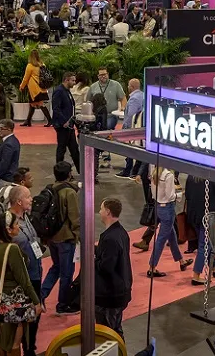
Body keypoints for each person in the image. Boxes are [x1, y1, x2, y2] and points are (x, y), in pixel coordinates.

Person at [0, 211, 42, 356]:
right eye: (16, 224)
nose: (19, 227)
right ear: (8, 229)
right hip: (15, 298)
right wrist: (36, 302)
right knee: (14, 341)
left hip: (2, 296)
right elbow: (24, 280)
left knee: (3, 338)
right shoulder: (12, 249)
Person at [40, 161, 80, 315]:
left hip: (52, 237)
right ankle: (63, 305)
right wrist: (79, 237)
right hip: (66, 238)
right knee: (67, 273)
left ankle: (41, 295)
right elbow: (75, 218)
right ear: (69, 174)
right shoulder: (69, 192)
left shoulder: (50, 189)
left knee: (56, 267)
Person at [7, 185, 43, 356]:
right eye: (28, 197)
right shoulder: (9, 222)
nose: (31, 199)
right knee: (25, 317)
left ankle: (30, 348)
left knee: (34, 315)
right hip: (22, 279)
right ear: (19, 201)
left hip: (35, 272)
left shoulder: (25, 216)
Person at [92, 198, 133, 339]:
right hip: (120, 291)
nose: (99, 212)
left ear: (108, 212)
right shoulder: (121, 233)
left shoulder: (110, 238)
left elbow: (106, 267)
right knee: (115, 329)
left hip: (109, 295)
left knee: (107, 335)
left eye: (101, 209)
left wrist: (92, 260)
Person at [147, 165, 193, 278]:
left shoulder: (154, 172)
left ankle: (181, 261)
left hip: (159, 206)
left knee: (172, 236)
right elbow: (170, 196)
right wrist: (181, 194)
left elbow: (154, 193)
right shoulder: (168, 175)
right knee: (161, 239)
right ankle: (152, 267)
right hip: (168, 208)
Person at [185, 176, 215, 286]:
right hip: (208, 216)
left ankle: (214, 266)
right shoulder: (212, 177)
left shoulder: (191, 177)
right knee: (204, 245)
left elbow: (187, 195)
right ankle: (196, 275)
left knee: (206, 242)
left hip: (194, 215)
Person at [52, 72, 80, 173]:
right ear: (66, 80)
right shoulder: (59, 91)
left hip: (69, 125)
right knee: (61, 149)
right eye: (73, 80)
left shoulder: (67, 91)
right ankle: (59, 173)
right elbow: (56, 108)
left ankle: (81, 172)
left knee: (74, 149)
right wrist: (64, 121)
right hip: (62, 126)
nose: (74, 82)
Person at [117, 79, 144, 179]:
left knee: (129, 150)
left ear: (131, 87)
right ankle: (134, 171)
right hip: (141, 128)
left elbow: (130, 116)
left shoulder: (134, 99)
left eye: (128, 85)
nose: (128, 87)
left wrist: (125, 129)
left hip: (133, 129)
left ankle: (128, 171)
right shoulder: (143, 95)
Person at [18, 50, 52, 127]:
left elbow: (26, 78)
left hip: (34, 89)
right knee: (32, 104)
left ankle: (50, 120)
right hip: (42, 87)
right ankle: (28, 121)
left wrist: (22, 86)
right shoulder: (42, 64)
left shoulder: (30, 66)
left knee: (40, 104)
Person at [0, 120, 20, 186]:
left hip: (6, 178)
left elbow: (5, 162)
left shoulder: (8, 144)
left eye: (2, 128)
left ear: (9, 129)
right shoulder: (12, 140)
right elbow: (3, 152)